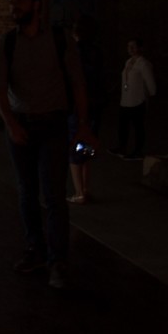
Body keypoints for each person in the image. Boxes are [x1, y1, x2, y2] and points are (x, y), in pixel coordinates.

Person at [0, 0, 95, 289]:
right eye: (11, 3)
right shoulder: (7, 42)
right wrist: (11, 123)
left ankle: (57, 260)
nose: (14, 8)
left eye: (20, 2)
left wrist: (84, 124)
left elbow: (77, 83)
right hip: (21, 124)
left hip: (53, 124)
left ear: (37, 5)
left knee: (53, 195)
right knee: (26, 191)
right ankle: (34, 249)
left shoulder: (60, 39)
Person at [67, 13, 105, 204]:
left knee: (75, 148)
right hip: (95, 107)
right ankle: (86, 188)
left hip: (77, 107)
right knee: (87, 147)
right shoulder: (97, 52)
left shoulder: (75, 52)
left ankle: (79, 191)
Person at [112, 38, 156, 161]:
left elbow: (150, 84)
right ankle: (122, 147)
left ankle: (138, 151)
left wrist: (149, 94)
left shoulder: (144, 64)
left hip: (137, 101)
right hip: (125, 100)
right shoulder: (128, 62)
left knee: (138, 127)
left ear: (140, 48)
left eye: (133, 46)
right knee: (122, 126)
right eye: (128, 46)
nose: (130, 49)